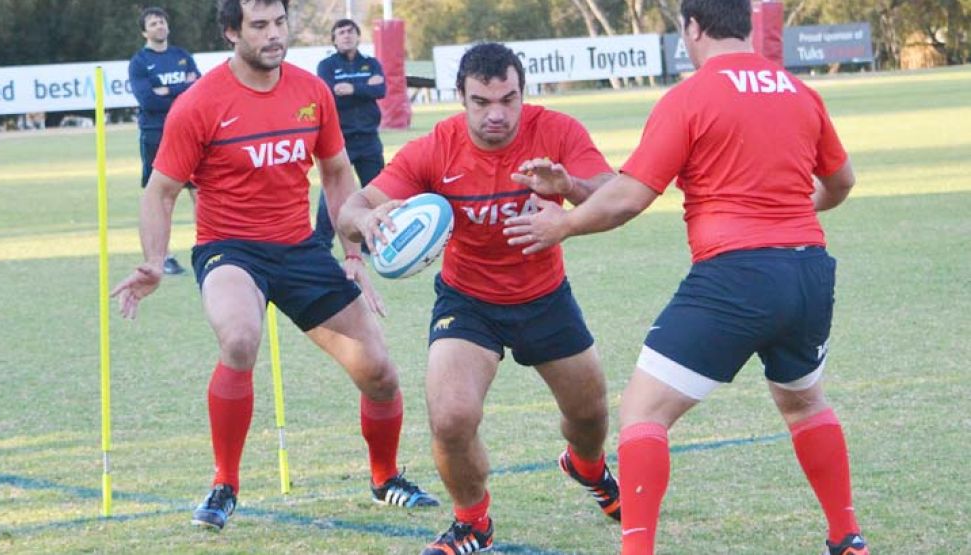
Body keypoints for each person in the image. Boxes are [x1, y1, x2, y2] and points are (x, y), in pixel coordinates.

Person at [502, 1, 868, 554]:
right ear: (744, 24)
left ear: (691, 27)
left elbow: (628, 197)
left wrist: (564, 225)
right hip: (808, 273)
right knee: (805, 402)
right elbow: (841, 183)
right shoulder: (799, 92)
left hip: (737, 275)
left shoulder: (691, 97)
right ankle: (848, 539)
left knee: (643, 413)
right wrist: (787, 213)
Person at [111, 0, 438, 532]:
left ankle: (384, 479)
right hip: (229, 249)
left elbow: (336, 175)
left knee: (379, 372)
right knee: (239, 338)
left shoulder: (312, 94)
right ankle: (225, 485)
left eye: (280, 23)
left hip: (301, 248)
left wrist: (352, 252)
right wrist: (152, 260)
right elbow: (161, 191)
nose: (273, 35)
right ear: (231, 32)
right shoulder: (199, 103)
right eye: (259, 25)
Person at [339, 42, 621, 554]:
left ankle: (587, 466)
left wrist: (571, 186)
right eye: (481, 102)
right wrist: (364, 221)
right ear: (460, 98)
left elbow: (615, 192)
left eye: (508, 100)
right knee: (450, 417)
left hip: (545, 296)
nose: (496, 114)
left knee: (589, 416)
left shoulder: (556, 131)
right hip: (468, 304)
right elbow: (353, 206)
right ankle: (473, 523)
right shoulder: (436, 147)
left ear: (523, 94)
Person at [128, 6, 200, 275]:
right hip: (156, 133)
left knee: (199, 192)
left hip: (188, 132)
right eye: (153, 23)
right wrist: (181, 89)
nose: (159, 26)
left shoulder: (182, 56)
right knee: (161, 196)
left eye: (162, 22)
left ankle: (205, 246)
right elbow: (148, 100)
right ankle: (162, 256)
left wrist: (167, 90)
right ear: (144, 32)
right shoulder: (139, 62)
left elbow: (198, 90)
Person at [313, 18, 386, 251]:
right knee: (332, 192)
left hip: (369, 139)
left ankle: (371, 241)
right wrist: (366, 87)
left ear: (358, 36)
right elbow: (331, 95)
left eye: (350, 31)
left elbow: (381, 89)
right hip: (340, 139)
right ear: (334, 40)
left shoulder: (371, 63)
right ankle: (321, 243)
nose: (346, 35)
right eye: (341, 32)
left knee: (374, 191)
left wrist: (353, 88)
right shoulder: (326, 66)